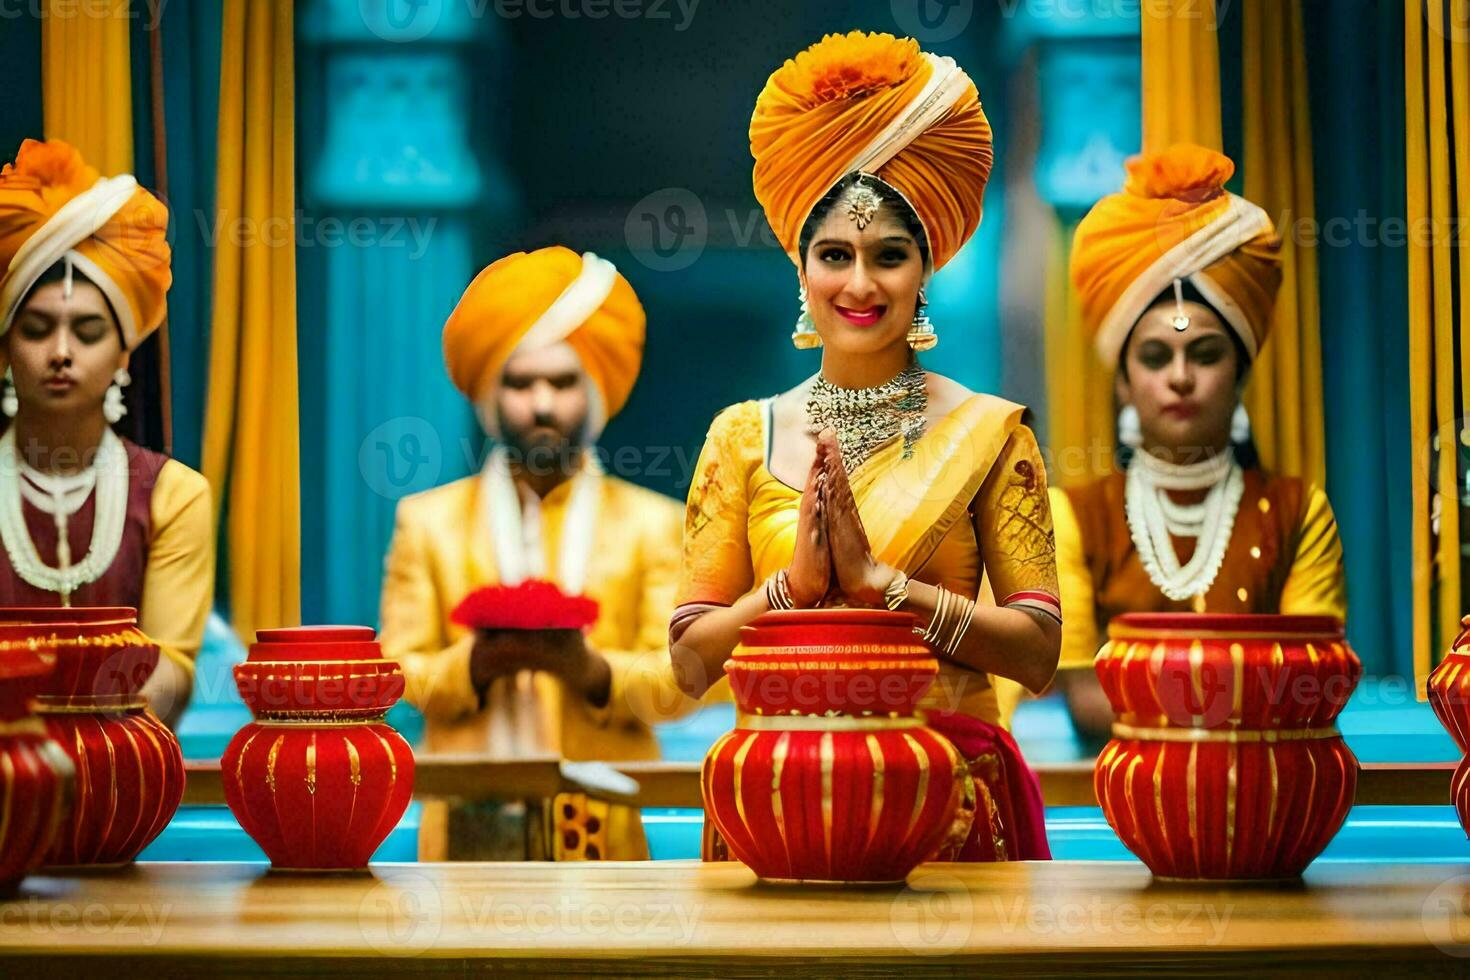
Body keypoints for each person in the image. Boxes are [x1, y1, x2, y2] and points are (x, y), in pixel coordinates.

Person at [669, 32, 1062, 861]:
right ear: (801, 269)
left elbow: (1037, 654)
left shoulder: (992, 435)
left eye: (889, 256)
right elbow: (690, 662)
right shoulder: (742, 436)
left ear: (927, 269)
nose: (859, 284)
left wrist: (889, 589)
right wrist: (789, 590)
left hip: (946, 802)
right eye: (834, 255)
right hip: (776, 800)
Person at [379, 245, 700, 860]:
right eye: (521, 382)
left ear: (595, 390)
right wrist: (478, 663)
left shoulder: (652, 524)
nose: (544, 403)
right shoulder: (427, 522)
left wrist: (590, 670)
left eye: (563, 381)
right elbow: (397, 673)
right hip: (466, 829)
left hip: (605, 831)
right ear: (490, 396)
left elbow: (679, 685)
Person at [1053, 143, 1347, 741]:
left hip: (1269, 803)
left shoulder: (1297, 513)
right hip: (1113, 809)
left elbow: (1314, 683)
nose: (1180, 377)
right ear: (1124, 384)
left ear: (1239, 372)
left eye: (1206, 354)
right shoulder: (1077, 520)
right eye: (1156, 356)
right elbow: (1086, 699)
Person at [0, 138, 214, 728]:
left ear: (124, 353)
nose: (62, 353)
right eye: (38, 329)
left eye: (88, 332)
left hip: (124, 785)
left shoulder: (174, 495)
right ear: (6, 347)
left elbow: (170, 676)